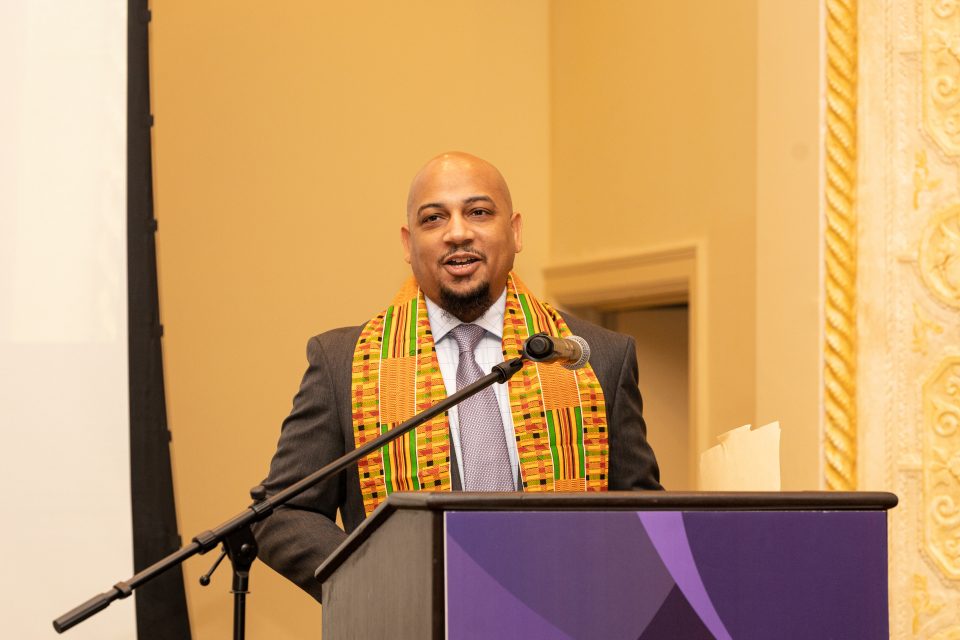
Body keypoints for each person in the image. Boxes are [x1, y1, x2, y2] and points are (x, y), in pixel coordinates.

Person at [253, 152, 661, 601]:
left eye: (479, 212)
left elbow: (643, 517)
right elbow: (281, 511)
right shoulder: (342, 363)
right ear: (409, 244)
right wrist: (375, 578)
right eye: (434, 219)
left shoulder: (593, 356)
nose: (458, 233)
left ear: (516, 231)